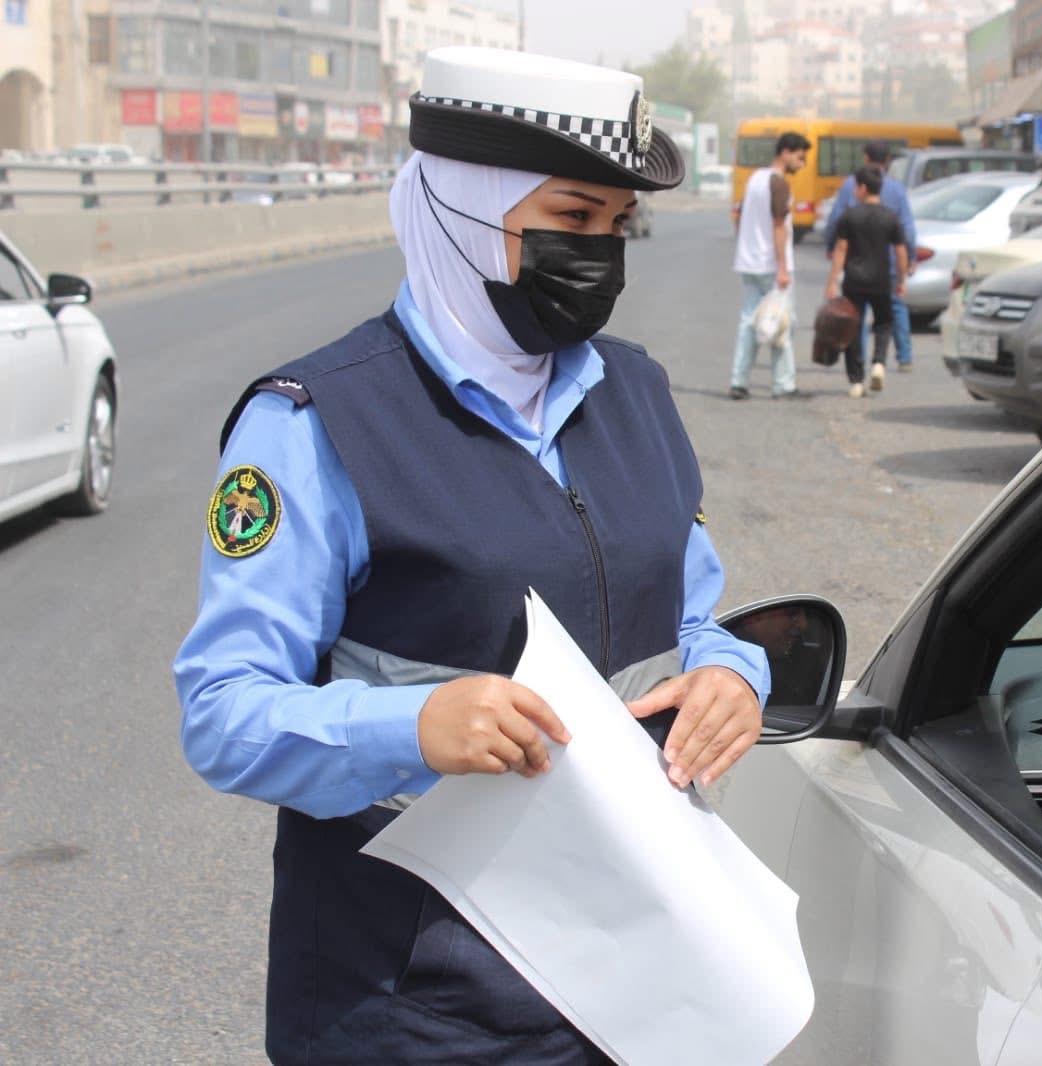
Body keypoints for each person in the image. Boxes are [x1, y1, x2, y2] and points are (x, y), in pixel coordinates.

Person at [173, 46, 771, 1063]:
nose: (600, 253)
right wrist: (412, 724)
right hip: (412, 1002)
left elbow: (689, 616)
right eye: (572, 217)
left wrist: (732, 674)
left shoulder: (636, 392)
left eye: (618, 225)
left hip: (632, 975)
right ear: (461, 205)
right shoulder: (317, 424)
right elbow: (222, 711)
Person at [821, 140, 917, 372]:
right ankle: (903, 357)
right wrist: (910, 257)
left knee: (857, 314)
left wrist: (831, 245)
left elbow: (836, 219)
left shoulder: (851, 184)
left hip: (856, 263)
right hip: (888, 264)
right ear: (887, 160)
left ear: (865, 157)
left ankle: (859, 361)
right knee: (895, 308)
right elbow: (907, 229)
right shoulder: (897, 189)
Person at [729, 130, 809, 400]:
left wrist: (745, 245)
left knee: (749, 322)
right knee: (782, 321)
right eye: (800, 157)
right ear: (786, 152)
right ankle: (783, 384)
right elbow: (779, 226)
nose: (802, 164)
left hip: (749, 261)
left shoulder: (755, 179)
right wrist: (783, 267)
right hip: (771, 266)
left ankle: (739, 381)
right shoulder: (779, 183)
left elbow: (738, 214)